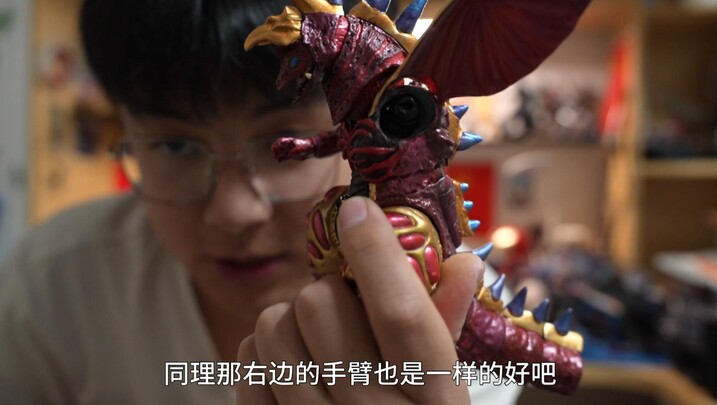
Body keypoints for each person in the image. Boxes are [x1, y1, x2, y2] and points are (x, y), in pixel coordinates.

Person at [0, 0, 521, 403]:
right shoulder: (51, 288)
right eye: (175, 145)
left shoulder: (451, 319)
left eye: (282, 142)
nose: (234, 212)